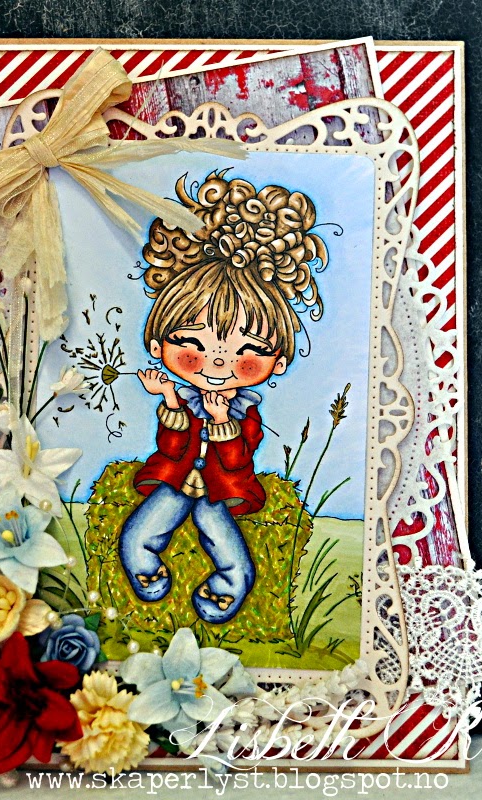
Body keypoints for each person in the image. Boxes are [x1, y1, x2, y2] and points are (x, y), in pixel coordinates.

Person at [119, 169, 328, 624]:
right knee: (139, 534)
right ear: (157, 346)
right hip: (176, 484)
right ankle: (146, 573)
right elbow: (170, 448)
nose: (217, 362)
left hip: (218, 493)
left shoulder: (244, 410)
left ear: (278, 362)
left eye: (246, 351)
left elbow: (237, 461)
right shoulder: (183, 396)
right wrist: (170, 400)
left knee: (225, 545)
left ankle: (227, 589)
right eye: (192, 344)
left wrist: (221, 422)